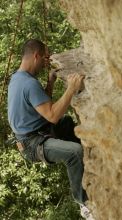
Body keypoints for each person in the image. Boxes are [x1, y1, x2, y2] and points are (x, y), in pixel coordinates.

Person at [8, 39, 95, 220]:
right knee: (74, 152)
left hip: (36, 133)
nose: (47, 61)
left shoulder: (18, 78)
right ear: (36, 56)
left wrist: (50, 83)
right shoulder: (29, 83)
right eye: (46, 57)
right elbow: (51, 115)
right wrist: (71, 89)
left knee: (67, 123)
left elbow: (41, 105)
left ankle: (91, 166)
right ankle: (84, 203)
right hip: (32, 143)